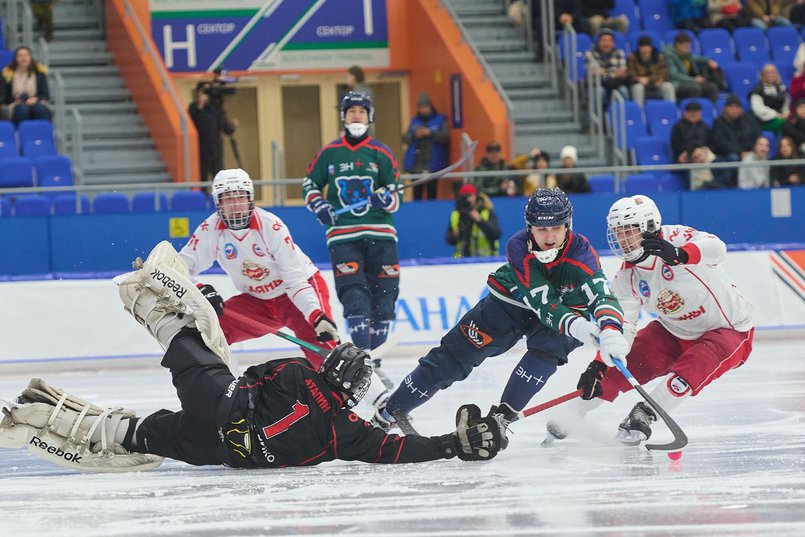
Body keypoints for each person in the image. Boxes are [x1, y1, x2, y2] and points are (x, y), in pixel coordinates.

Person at [0, 242, 501, 472]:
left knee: (186, 337)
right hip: (218, 451)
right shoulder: (345, 433)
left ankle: (142, 297)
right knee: (139, 433)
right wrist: (450, 446)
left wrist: (209, 317)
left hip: (217, 402)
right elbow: (395, 452)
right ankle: (41, 421)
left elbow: (252, 375)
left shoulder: (299, 371)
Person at [373, 189, 629, 450]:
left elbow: (603, 297)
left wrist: (611, 328)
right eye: (542, 229)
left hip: (564, 312)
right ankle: (388, 412)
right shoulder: (517, 246)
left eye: (556, 227)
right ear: (530, 228)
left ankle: (501, 418)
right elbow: (544, 303)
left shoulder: (582, 254)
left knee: (550, 348)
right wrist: (584, 329)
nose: (550, 236)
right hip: (510, 302)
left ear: (568, 226)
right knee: (452, 357)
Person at [543, 195, 754, 447]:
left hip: (728, 330)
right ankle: (575, 411)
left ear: (649, 227)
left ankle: (645, 412)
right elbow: (624, 327)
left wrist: (679, 255)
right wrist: (600, 364)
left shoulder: (676, 237)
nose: (622, 240)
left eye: (628, 231)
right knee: (623, 365)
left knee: (688, 371)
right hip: (671, 331)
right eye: (617, 233)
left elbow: (717, 249)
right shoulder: (626, 277)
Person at [179, 168, 337, 369]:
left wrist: (315, 315)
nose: (235, 206)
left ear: (250, 199)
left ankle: (375, 396)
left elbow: (295, 280)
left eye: (240, 198)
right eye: (228, 199)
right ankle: (226, 387)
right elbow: (180, 267)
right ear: (218, 203)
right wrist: (200, 290)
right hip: (258, 302)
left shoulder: (271, 226)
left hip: (295, 293)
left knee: (324, 345)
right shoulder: (209, 230)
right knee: (209, 331)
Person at [302, 91, 401, 360]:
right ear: (343, 116)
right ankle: (363, 358)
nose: (356, 115)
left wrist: (385, 198)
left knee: (385, 295)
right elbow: (309, 184)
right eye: (351, 111)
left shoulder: (381, 152)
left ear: (369, 117)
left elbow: (396, 194)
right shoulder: (330, 152)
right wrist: (319, 205)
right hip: (343, 235)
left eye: (361, 111)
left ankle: (376, 360)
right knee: (354, 295)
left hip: (381, 233)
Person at [188, 76, 238, 185]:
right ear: (198, 92)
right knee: (202, 178)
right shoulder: (193, 107)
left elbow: (226, 130)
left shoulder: (216, 109)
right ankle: (202, 199)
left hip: (216, 148)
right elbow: (189, 124)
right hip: (200, 149)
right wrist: (200, 106)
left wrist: (232, 126)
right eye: (205, 90)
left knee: (219, 178)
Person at [402, 92, 450, 200]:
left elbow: (446, 137)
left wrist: (430, 133)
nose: (423, 110)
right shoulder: (414, 121)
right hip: (417, 164)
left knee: (432, 193)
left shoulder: (440, 119)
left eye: (425, 107)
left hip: (433, 163)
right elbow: (405, 138)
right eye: (420, 107)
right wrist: (416, 134)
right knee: (417, 193)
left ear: (430, 106)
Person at [711, 94, 760, 187]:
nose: (734, 109)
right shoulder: (719, 122)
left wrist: (749, 151)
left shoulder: (749, 120)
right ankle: (734, 186)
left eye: (737, 107)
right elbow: (721, 143)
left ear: (741, 109)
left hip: (749, 152)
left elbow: (757, 137)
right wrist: (740, 152)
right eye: (731, 106)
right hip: (728, 154)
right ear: (725, 108)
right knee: (733, 158)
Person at [445, 183, 501, 258]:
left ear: (476, 196)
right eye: (463, 196)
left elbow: (496, 234)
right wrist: (454, 235)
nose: (467, 199)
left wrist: (480, 221)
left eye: (469, 195)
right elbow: (450, 240)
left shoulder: (486, 212)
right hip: (463, 260)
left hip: (486, 260)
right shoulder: (456, 214)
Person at [664, 31, 722, 101]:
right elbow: (674, 75)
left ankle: (713, 109)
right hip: (678, 83)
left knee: (712, 87)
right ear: (678, 45)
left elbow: (697, 58)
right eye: (686, 46)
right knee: (695, 89)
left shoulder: (687, 53)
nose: (688, 48)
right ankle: (692, 109)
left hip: (692, 82)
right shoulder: (670, 56)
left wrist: (709, 60)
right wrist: (693, 80)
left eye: (689, 46)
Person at [1, 46, 51, 125]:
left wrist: (36, 99)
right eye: (20, 55)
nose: (23, 58)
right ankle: (18, 134)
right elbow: (3, 97)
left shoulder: (40, 74)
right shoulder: (7, 74)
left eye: (26, 55)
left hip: (36, 103)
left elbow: (46, 95)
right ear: (16, 58)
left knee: (39, 109)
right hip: (15, 104)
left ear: (30, 57)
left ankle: (44, 133)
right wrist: (14, 101)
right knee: (21, 109)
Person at [585, 29, 629, 110]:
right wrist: (614, 73)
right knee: (599, 92)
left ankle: (625, 118)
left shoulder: (619, 53)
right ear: (598, 42)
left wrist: (604, 72)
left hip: (616, 84)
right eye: (603, 40)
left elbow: (622, 72)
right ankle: (599, 121)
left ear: (613, 43)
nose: (606, 43)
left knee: (624, 91)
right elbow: (593, 72)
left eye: (609, 41)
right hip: (598, 85)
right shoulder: (590, 54)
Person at [627, 35, 676, 107]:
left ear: (651, 47)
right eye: (642, 46)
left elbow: (663, 73)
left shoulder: (659, 57)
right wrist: (638, 79)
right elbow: (630, 73)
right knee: (638, 88)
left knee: (668, 86)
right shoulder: (632, 57)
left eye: (647, 46)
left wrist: (649, 79)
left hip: (656, 87)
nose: (645, 49)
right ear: (639, 48)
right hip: (641, 87)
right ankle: (639, 113)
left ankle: (671, 110)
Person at [750, 64, 789, 137]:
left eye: (772, 72)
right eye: (767, 72)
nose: (770, 75)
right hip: (764, 121)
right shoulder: (757, 90)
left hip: (780, 117)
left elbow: (785, 104)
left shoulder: (781, 88)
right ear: (762, 75)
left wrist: (786, 114)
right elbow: (759, 110)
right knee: (785, 124)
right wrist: (777, 115)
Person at [670, 100, 713, 166]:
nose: (693, 114)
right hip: (685, 156)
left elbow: (711, 143)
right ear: (685, 113)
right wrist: (693, 151)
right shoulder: (678, 127)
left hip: (704, 154)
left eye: (696, 112)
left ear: (700, 113)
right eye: (690, 112)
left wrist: (702, 150)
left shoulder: (705, 126)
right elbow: (676, 145)